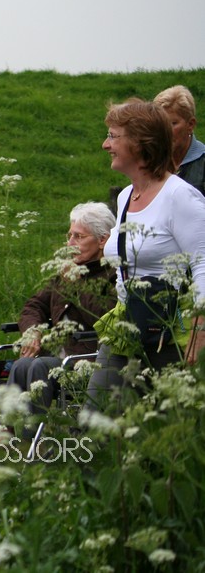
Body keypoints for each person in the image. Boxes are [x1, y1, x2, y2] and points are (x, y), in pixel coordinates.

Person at [88, 98, 205, 410]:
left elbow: (203, 263)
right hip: (127, 323)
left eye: (113, 136)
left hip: (172, 330)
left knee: (168, 424)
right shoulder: (126, 196)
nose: (105, 145)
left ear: (141, 143)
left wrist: (200, 331)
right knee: (96, 417)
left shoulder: (180, 197)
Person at [8, 202, 116, 413]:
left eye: (79, 237)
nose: (70, 243)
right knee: (21, 364)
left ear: (102, 240)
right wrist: (32, 332)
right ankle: (7, 427)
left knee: (40, 365)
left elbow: (105, 318)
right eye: (69, 236)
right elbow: (34, 305)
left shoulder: (114, 276)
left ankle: (33, 430)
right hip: (56, 354)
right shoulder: (66, 273)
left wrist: (76, 286)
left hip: (89, 360)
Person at [155, 85, 204, 196]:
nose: (164, 131)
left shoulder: (202, 164)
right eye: (160, 125)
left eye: (172, 124)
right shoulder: (151, 163)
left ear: (190, 124)